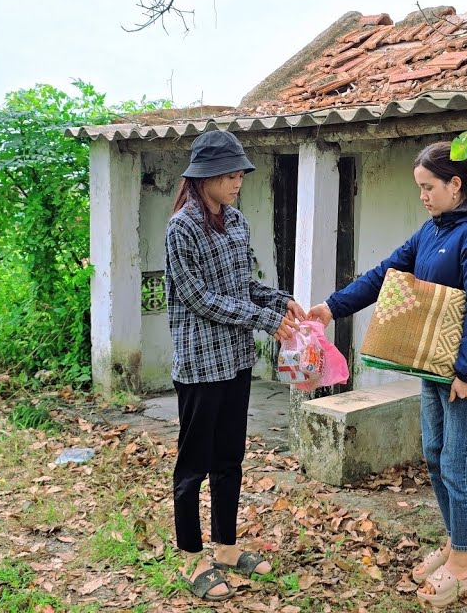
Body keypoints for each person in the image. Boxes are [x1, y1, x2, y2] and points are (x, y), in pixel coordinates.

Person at [308, 141, 467, 608]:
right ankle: (457, 542)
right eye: (419, 188)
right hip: (432, 366)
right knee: (437, 454)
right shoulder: (434, 229)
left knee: (460, 462)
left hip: (461, 371)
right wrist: (331, 308)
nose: (422, 195)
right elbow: (385, 274)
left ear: (455, 185)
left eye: (428, 187)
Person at [164, 129, 304, 602]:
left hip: (235, 360)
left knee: (229, 458)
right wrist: (265, 319)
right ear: (204, 179)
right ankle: (191, 557)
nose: (238, 179)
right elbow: (201, 299)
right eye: (229, 173)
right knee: (193, 464)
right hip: (201, 365)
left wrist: (282, 302)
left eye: (240, 171)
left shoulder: (237, 222)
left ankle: (225, 547)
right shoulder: (181, 228)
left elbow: (245, 284)